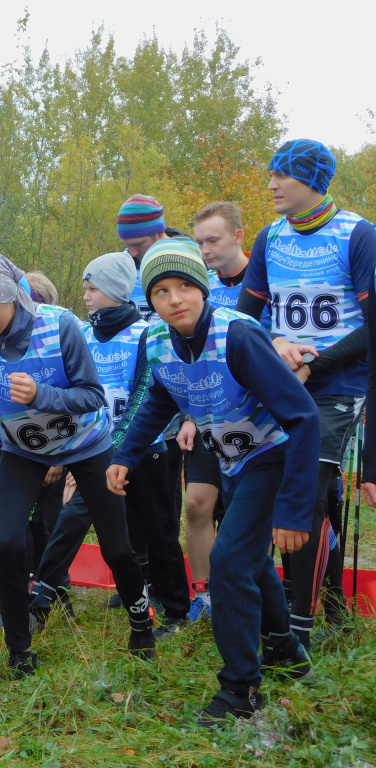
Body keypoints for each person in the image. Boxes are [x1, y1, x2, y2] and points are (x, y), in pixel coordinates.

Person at [110, 239, 319, 726]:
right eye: (161, 290)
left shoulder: (238, 336)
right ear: (150, 300)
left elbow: (304, 419)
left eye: (185, 286)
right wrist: (126, 454)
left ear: (202, 290)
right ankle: (287, 653)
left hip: (275, 456)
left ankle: (241, 690)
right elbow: (160, 400)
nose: (175, 298)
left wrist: (292, 511)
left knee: (227, 562)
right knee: (248, 561)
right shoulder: (157, 341)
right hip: (233, 462)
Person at [0, 252, 153, 677]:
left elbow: (92, 396)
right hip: (22, 450)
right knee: (6, 542)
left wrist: (42, 396)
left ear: (12, 297)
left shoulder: (61, 325)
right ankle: (19, 648)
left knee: (117, 548)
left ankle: (141, 626)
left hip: (86, 445)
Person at [236, 139, 376, 650]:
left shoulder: (358, 235)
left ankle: (297, 624)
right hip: (283, 378)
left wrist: (317, 361)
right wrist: (275, 347)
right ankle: (328, 596)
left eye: (281, 176)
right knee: (300, 492)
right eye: (270, 174)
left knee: (307, 489)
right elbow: (246, 317)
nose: (270, 184)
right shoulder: (270, 236)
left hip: (336, 384)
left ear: (312, 182)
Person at [80, 252, 189, 634]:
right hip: (99, 448)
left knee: (159, 531)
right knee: (121, 531)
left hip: (145, 448)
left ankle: (176, 608)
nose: (87, 296)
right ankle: (138, 590)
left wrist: (121, 445)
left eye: (94, 288)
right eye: (86, 288)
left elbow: (146, 392)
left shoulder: (147, 332)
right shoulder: (81, 333)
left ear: (115, 290)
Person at [181, 201, 257, 619]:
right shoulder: (199, 286)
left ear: (238, 235)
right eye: (199, 242)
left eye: (213, 240)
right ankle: (204, 595)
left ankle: (242, 594)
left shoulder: (262, 283)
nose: (206, 249)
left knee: (248, 511)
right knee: (196, 502)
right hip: (207, 414)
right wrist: (189, 415)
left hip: (254, 417)